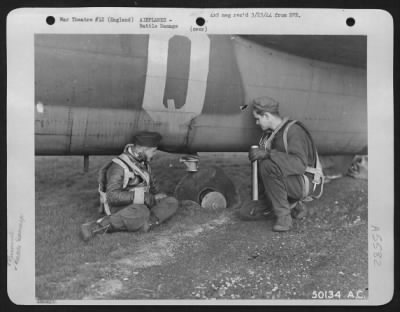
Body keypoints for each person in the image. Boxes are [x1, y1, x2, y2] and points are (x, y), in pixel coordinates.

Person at [242, 96, 323, 232]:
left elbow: (299, 165)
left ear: (267, 116)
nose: (256, 123)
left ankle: (284, 217)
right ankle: (295, 205)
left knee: (268, 166)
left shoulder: (294, 131)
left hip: (306, 182)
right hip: (289, 180)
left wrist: (269, 154)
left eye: (258, 118)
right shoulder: (270, 135)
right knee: (246, 211)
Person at [80, 131, 179, 241]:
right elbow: (112, 197)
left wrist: (157, 195)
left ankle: (146, 223)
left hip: (142, 203)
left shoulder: (144, 162)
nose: (154, 154)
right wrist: (143, 197)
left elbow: (152, 185)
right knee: (140, 211)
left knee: (171, 202)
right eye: (153, 151)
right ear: (142, 150)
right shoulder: (118, 166)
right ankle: (96, 226)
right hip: (122, 207)